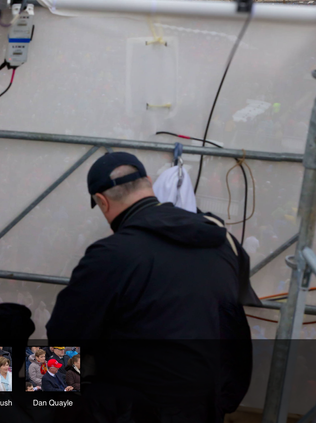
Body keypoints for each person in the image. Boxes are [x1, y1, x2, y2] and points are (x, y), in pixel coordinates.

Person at [47, 152, 255, 420]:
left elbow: (63, 336)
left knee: (52, 373)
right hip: (209, 403)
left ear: (101, 201)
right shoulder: (221, 237)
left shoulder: (112, 254)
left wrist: (50, 407)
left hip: (137, 409)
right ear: (148, 181)